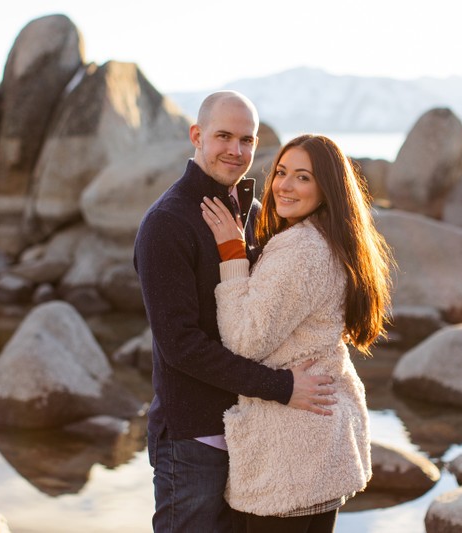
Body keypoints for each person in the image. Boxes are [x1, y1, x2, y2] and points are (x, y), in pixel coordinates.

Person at [134, 91, 337, 533]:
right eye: (223, 136)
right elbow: (181, 348)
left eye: (246, 140)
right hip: (195, 441)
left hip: (254, 435)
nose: (236, 150)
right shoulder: (167, 223)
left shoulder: (255, 214)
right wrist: (282, 387)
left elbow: (273, 313)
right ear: (197, 136)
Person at [199, 133, 393, 532]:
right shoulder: (336, 241)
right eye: (282, 172)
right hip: (321, 442)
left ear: (327, 187)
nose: (284, 186)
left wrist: (233, 254)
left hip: (290, 453)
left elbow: (244, 341)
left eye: (303, 178)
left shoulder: (301, 248)